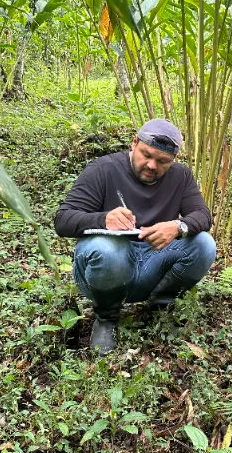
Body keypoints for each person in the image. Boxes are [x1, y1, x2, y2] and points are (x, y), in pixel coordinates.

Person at [55, 118, 217, 354]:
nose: (152, 165)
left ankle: (160, 308)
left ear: (173, 161)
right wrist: (103, 219)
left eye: (163, 161)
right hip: (106, 268)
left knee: (204, 244)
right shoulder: (103, 170)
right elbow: (63, 220)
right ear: (134, 143)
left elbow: (203, 215)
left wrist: (178, 226)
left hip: (152, 259)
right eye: (146, 155)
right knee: (110, 250)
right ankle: (106, 318)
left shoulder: (180, 176)